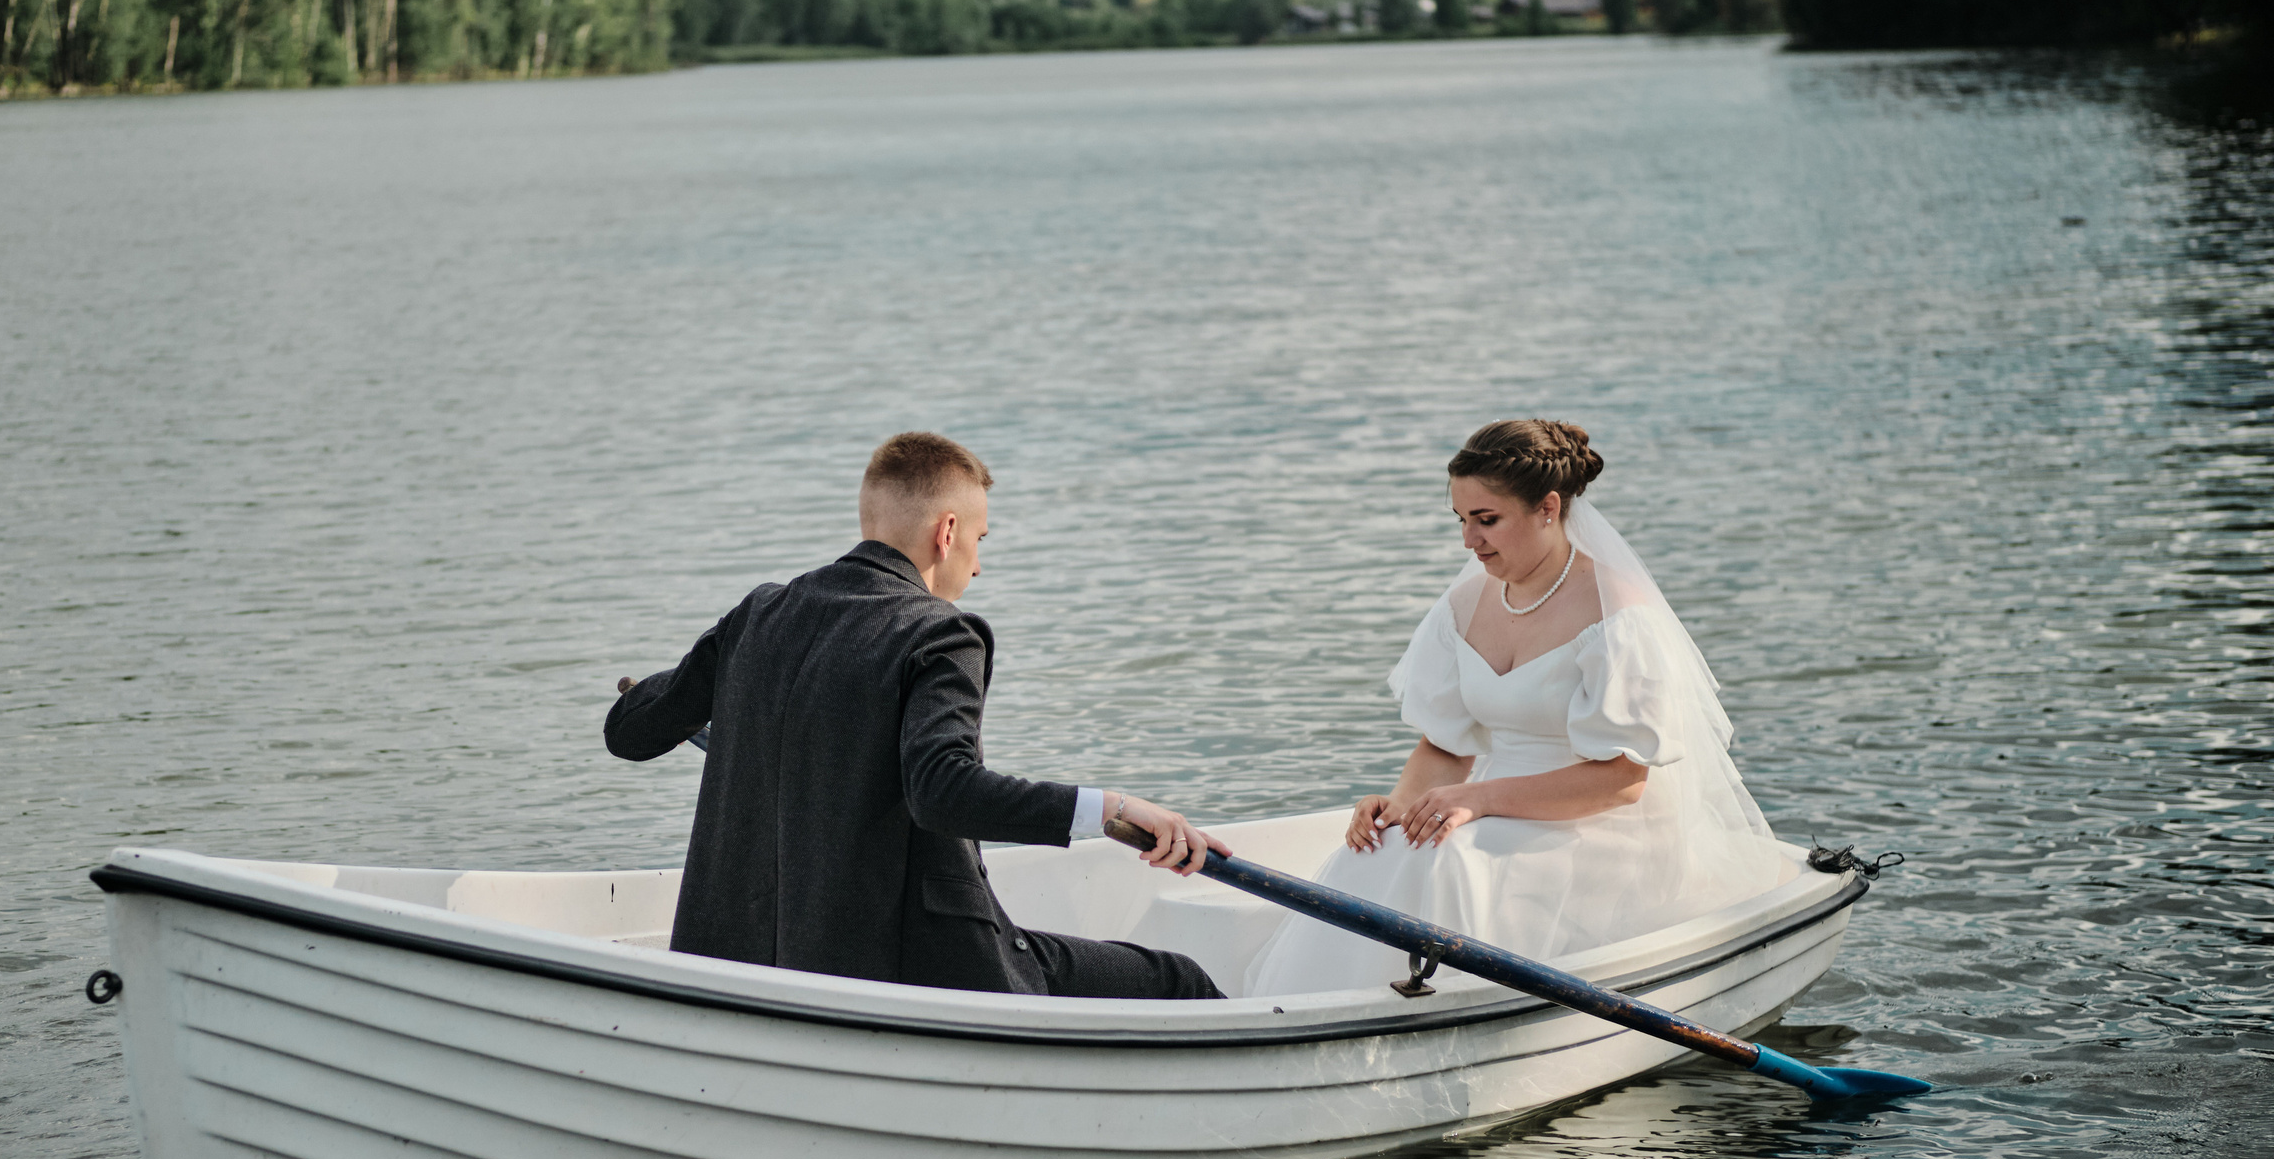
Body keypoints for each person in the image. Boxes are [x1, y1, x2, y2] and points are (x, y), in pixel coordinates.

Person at [606, 432, 1230, 1001]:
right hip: (908, 969)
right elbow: (943, 790)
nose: (978, 566)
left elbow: (630, 730)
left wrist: (724, 681)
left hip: (730, 963)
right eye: (980, 542)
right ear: (948, 531)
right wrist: (1114, 809)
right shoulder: (940, 633)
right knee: (1181, 981)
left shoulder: (758, 616)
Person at [1244, 418, 1793, 997]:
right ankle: (1328, 1012)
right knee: (1379, 853)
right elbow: (1445, 746)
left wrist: (1476, 799)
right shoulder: (1463, 603)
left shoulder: (1617, 613)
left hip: (1600, 823)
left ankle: (1449, 1014)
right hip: (1487, 807)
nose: (1468, 541)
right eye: (1461, 520)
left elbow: (1624, 780)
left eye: (1487, 521)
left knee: (1452, 861)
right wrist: (1402, 808)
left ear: (1548, 508)